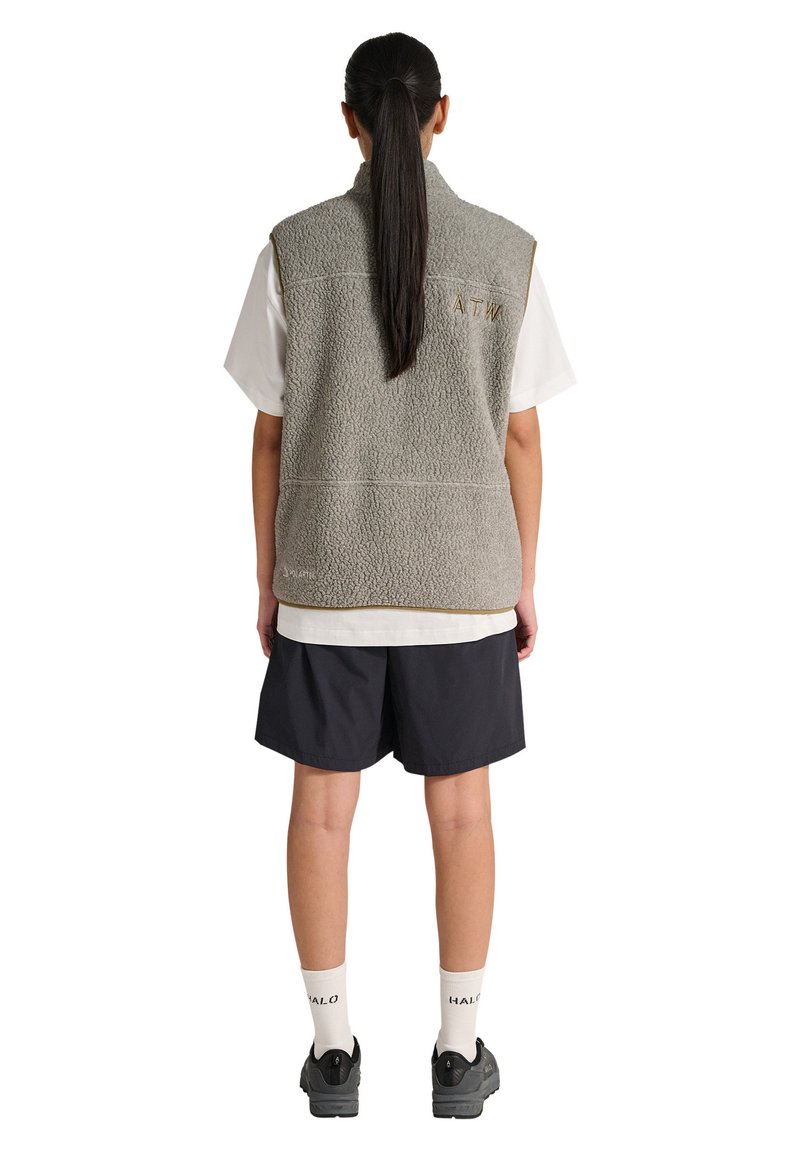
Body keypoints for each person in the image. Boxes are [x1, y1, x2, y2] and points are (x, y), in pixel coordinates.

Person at [223, 31, 576, 1119]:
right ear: (440, 116)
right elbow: (521, 438)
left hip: (327, 578)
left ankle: (332, 1054)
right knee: (461, 818)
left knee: (321, 816)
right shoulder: (506, 252)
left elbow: (269, 435)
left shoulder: (292, 249)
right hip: (463, 585)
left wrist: (269, 581)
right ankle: (458, 1054)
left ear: (348, 120)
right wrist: (519, 578)